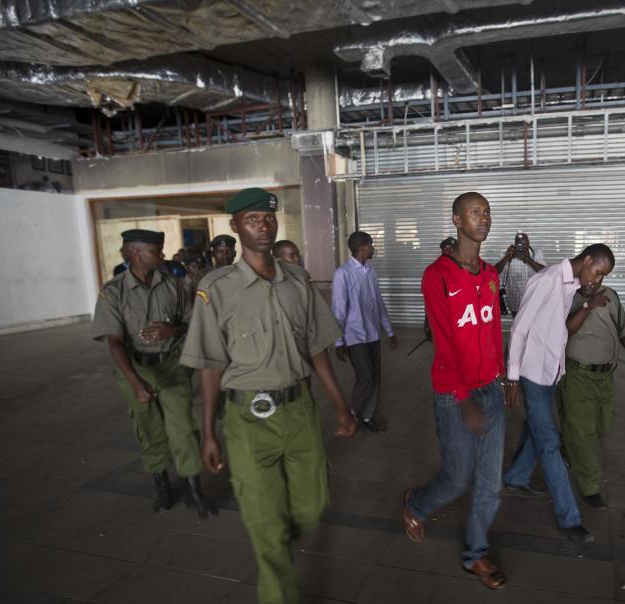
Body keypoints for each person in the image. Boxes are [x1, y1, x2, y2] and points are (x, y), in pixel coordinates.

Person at [180, 187, 356, 604]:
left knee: (313, 505)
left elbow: (317, 348)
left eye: (269, 218)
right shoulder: (215, 288)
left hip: (300, 413)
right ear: (236, 226)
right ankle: (278, 579)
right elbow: (210, 364)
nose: (264, 225)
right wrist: (208, 432)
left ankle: (275, 534)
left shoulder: (296, 279)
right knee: (266, 529)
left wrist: (340, 405)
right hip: (246, 421)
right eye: (253, 219)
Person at [403, 192, 510, 590]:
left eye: (487, 212)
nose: (483, 218)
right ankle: (416, 504)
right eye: (475, 212)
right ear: (455, 220)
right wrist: (465, 400)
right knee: (456, 478)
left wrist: (505, 376)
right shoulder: (437, 276)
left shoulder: (490, 274)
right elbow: (445, 343)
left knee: (489, 482)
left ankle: (476, 554)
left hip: (490, 390)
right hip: (454, 394)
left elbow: (494, 330)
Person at [91, 229, 216, 518]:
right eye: (154, 250)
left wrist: (172, 330)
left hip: (172, 366)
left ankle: (194, 489)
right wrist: (135, 382)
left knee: (182, 426)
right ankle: (162, 487)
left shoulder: (174, 286)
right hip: (135, 368)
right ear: (135, 253)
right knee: (149, 429)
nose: (161, 255)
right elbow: (114, 342)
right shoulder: (113, 292)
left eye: (160, 250)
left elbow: (191, 323)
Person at [503, 243, 616, 543]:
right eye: (598, 271)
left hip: (550, 373)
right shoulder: (548, 280)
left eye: (603, 276)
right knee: (550, 443)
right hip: (532, 375)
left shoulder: (569, 284)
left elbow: (560, 329)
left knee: (535, 428)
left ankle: (515, 477)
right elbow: (519, 329)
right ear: (588, 259)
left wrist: (589, 304)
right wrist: (512, 378)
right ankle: (570, 519)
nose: (598, 280)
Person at [560, 284, 625, 509]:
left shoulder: (611, 295)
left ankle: (566, 447)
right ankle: (590, 486)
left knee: (600, 426)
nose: (595, 280)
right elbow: (562, 331)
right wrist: (588, 306)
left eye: (601, 274)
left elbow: (623, 329)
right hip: (577, 373)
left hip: (605, 375)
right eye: (593, 272)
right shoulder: (567, 295)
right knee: (583, 432)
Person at [331, 231, 397, 433]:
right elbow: (339, 310)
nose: (374, 248)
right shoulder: (343, 273)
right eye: (371, 245)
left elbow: (378, 303)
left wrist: (389, 330)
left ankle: (368, 416)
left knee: (375, 378)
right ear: (362, 248)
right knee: (365, 377)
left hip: (373, 334)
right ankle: (350, 414)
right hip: (355, 336)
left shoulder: (370, 271)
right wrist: (338, 342)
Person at [494, 232, 546, 315]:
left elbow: (546, 272)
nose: (522, 247)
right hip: (515, 303)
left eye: (524, 244)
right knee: (518, 327)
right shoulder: (508, 254)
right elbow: (495, 272)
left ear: (529, 243)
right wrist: (507, 256)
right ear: (515, 244)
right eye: (519, 244)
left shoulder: (536, 253)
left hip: (533, 301)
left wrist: (529, 260)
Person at [423, 236, 458, 341]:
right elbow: (429, 300)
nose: (448, 252)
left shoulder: (465, 269)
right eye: (445, 250)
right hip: (443, 321)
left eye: (452, 249)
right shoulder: (433, 272)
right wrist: (427, 324)